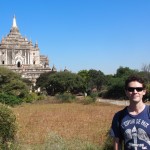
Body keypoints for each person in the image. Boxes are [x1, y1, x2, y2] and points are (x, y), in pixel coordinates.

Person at [110, 75, 150, 150]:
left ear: (144, 92)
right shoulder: (119, 116)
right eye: (131, 89)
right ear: (126, 92)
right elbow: (117, 142)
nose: (135, 92)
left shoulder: (149, 112)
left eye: (139, 89)